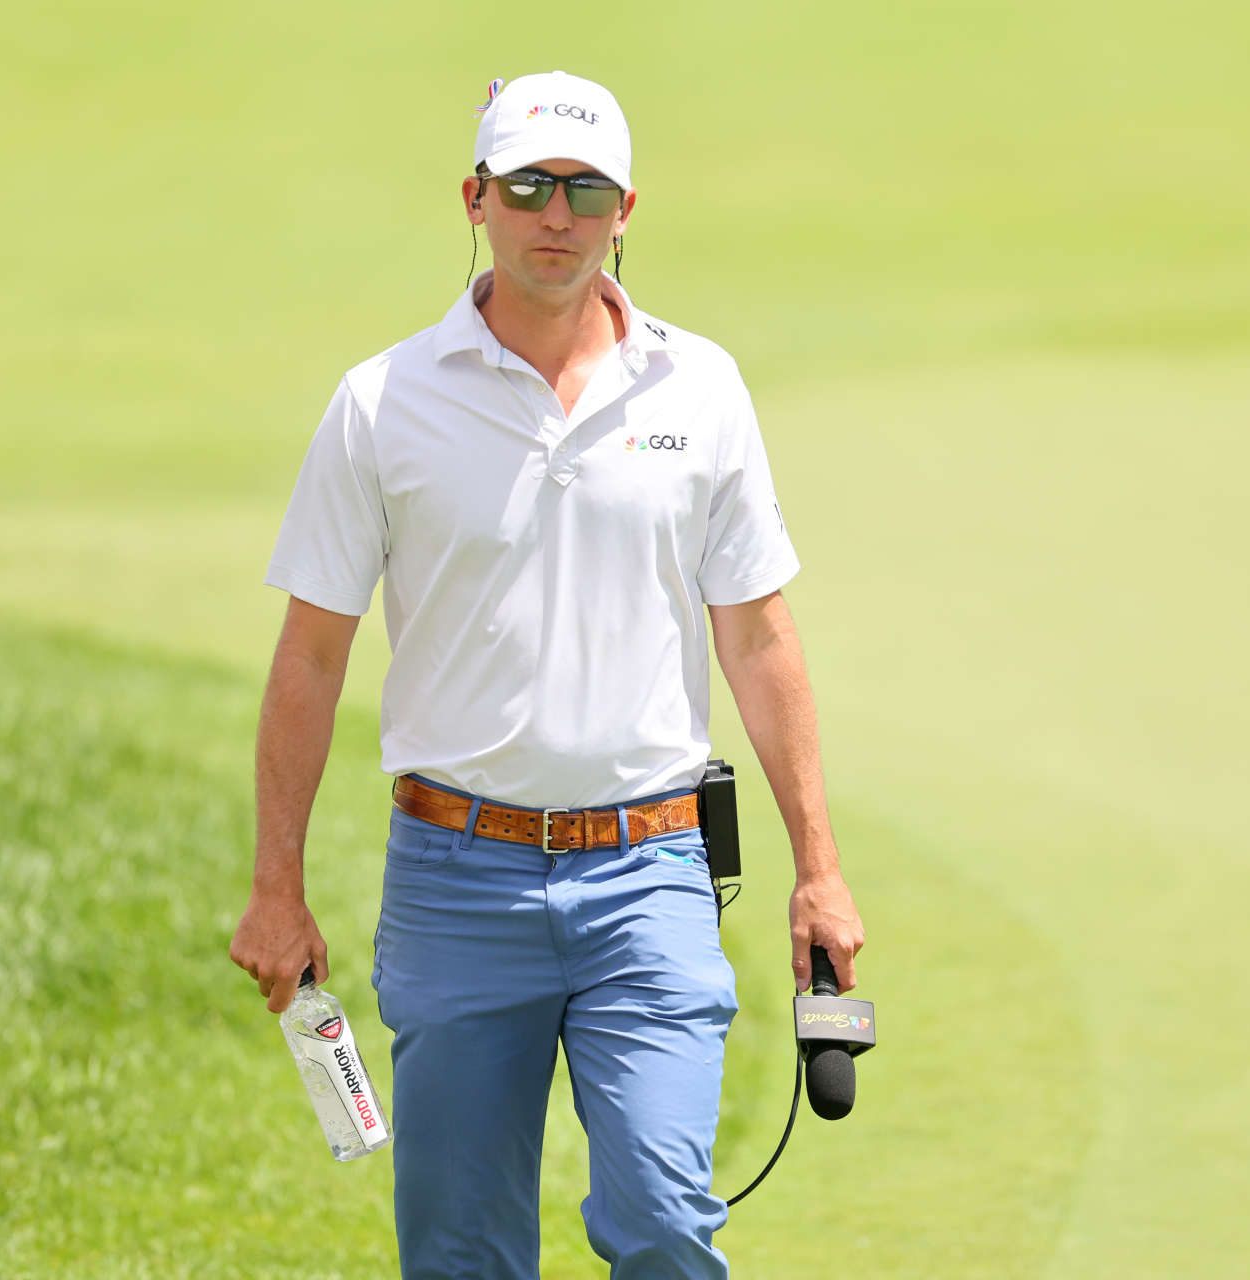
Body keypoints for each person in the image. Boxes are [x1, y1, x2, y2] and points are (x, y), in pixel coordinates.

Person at [227, 69, 865, 1280]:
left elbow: (760, 637)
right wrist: (277, 886)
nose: (556, 215)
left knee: (668, 1225)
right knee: (463, 1253)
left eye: (584, 189)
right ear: (476, 198)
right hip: (457, 878)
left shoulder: (703, 389)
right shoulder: (382, 402)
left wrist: (820, 869)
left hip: (652, 870)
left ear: (627, 206)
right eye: (528, 186)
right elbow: (312, 654)